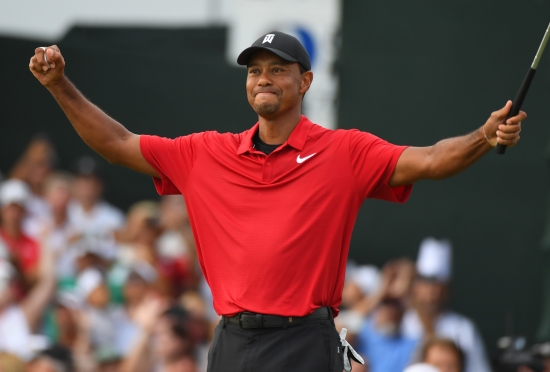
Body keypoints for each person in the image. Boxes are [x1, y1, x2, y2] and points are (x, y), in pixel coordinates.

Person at [29, 30, 525, 372]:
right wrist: (58, 86)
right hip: (233, 341)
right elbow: (117, 144)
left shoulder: (345, 151)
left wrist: (484, 135)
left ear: (305, 81)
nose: (263, 78)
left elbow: (433, 160)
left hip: (305, 343)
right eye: (254, 71)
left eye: (277, 70)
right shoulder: (207, 152)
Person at [401, 238, 491, 372]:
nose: (432, 292)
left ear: (447, 291)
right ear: (415, 288)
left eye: (438, 285)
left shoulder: (463, 328)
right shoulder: (402, 323)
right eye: (426, 283)